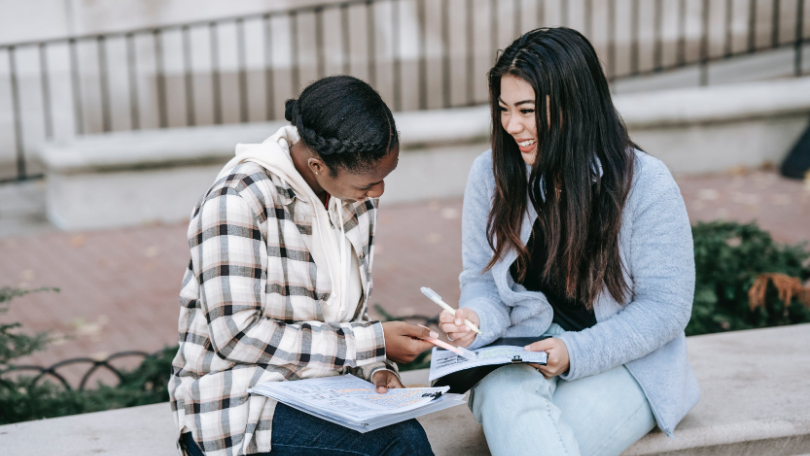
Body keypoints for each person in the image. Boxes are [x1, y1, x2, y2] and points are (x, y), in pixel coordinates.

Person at [439, 27, 700, 456]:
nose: (511, 126)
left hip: (625, 362)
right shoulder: (490, 174)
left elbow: (666, 307)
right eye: (504, 109)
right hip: (524, 352)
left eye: (526, 110)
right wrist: (475, 320)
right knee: (504, 398)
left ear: (574, 106)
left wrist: (574, 351)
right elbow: (483, 281)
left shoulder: (647, 184)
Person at [169, 75, 436, 456]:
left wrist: (376, 367)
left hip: (321, 390)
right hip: (238, 402)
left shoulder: (351, 198)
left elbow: (342, 317)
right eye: (368, 183)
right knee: (398, 444)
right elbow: (236, 335)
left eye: (384, 178)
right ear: (317, 165)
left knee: (401, 430)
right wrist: (370, 342)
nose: (378, 192)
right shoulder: (237, 201)